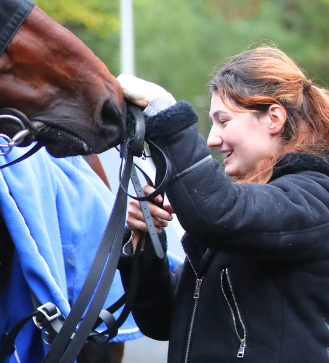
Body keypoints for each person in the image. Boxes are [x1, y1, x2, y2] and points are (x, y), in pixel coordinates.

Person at [116, 46, 329, 362]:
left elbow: (218, 213)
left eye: (223, 121)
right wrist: (145, 240)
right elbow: (165, 321)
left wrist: (164, 113)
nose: (213, 139)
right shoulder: (247, 206)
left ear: (273, 118)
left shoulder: (316, 197)